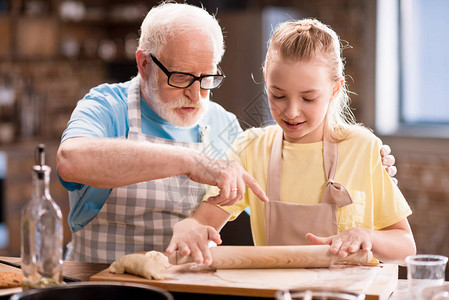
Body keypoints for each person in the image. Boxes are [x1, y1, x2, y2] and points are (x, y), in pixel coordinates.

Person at [57, 3, 396, 263]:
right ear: (144, 64)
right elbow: (71, 162)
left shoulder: (223, 127)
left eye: (207, 79)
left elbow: (283, 182)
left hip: (179, 284)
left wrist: (367, 163)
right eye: (181, 77)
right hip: (97, 278)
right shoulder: (108, 106)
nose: (195, 94)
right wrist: (189, 161)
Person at [167, 18, 415, 266]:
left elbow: (406, 248)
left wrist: (367, 236)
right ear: (265, 79)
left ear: (335, 89)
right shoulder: (250, 148)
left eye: (308, 98)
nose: (291, 112)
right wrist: (190, 227)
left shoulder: (362, 147)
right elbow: (204, 222)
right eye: (278, 95)